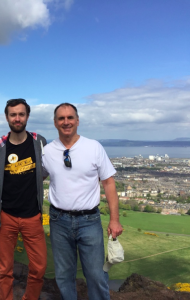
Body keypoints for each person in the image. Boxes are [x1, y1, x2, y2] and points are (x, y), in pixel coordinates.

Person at [42, 103, 123, 300]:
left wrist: (114, 219)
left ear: (77, 121)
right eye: (61, 118)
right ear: (55, 123)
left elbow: (109, 183)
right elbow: (35, 180)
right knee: (63, 275)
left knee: (96, 274)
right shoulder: (47, 151)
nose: (66, 122)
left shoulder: (93, 147)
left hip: (89, 220)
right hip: (58, 220)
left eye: (70, 118)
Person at [0, 98, 47, 300]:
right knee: (4, 269)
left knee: (39, 267)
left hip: (32, 215)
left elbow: (50, 169)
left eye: (21, 114)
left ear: (27, 116)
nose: (17, 118)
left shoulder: (40, 142)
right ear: (7, 117)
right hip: (5, 216)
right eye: (13, 115)